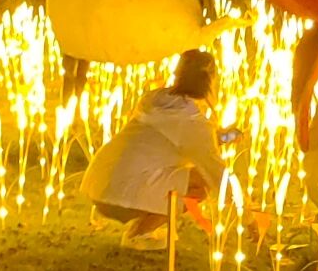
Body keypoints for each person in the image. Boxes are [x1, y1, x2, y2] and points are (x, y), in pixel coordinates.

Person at [81, 48, 227, 243]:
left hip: (99, 184)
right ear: (210, 81)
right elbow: (217, 173)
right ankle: (139, 233)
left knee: (190, 176)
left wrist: (219, 137)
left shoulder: (155, 100)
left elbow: (174, 137)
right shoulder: (193, 123)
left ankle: (140, 224)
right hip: (121, 196)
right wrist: (250, 219)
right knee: (202, 183)